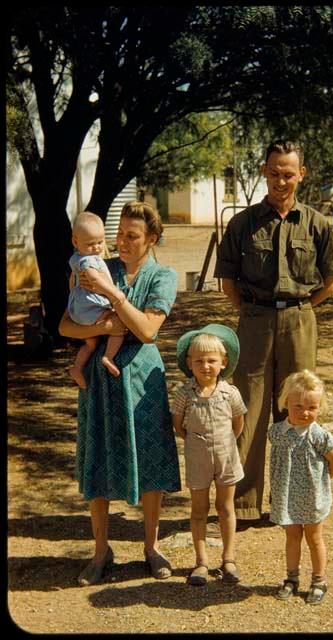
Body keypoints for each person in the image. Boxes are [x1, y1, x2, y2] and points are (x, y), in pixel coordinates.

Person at [213, 139, 333, 524]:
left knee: (297, 410)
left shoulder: (317, 224)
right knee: (249, 411)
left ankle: (291, 502)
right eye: (274, 173)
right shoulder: (242, 223)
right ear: (264, 172)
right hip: (254, 321)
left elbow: (330, 280)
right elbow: (228, 282)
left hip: (300, 321)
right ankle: (246, 505)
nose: (281, 181)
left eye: (289, 173)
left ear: (301, 175)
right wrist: (255, 313)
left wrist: (300, 310)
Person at [59, 200, 181, 585]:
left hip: (143, 382)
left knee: (150, 462)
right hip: (100, 382)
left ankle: (151, 547)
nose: (122, 242)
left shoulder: (162, 277)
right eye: (120, 235)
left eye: (132, 236)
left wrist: (115, 301)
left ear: (152, 240)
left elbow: (147, 331)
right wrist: (107, 325)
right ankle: (100, 551)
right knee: (98, 458)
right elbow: (65, 326)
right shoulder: (94, 266)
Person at [171, 324, 246, 586]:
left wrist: (225, 443)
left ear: (223, 362)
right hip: (197, 456)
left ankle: (229, 558)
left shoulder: (231, 393)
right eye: (199, 361)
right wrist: (196, 442)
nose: (206, 366)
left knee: (226, 507)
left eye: (212, 361)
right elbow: (179, 425)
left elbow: (238, 424)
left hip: (226, 455)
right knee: (199, 509)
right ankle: (201, 561)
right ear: (190, 363)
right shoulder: (184, 394)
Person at [269, 370, 333, 605]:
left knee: (314, 537)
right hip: (286, 496)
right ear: (285, 403)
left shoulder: (319, 436)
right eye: (298, 406)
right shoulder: (277, 432)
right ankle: (291, 578)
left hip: (312, 497)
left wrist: (323, 480)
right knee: (292, 537)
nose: (305, 412)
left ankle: (319, 581)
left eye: (312, 407)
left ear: (320, 407)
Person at [67, 212, 124, 389]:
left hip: (78, 310)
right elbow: (94, 279)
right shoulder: (88, 261)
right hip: (90, 310)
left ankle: (77, 368)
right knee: (119, 325)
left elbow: (72, 284)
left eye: (100, 242)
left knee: (91, 343)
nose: (96, 248)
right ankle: (108, 356)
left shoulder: (76, 258)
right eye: (90, 244)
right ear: (75, 242)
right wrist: (115, 294)